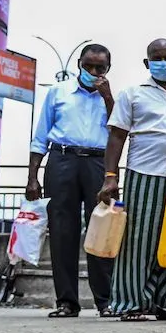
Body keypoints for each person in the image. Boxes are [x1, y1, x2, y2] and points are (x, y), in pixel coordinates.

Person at [98, 39, 166, 321]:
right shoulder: (133, 94)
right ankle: (129, 304)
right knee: (139, 241)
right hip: (144, 172)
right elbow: (116, 136)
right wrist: (110, 177)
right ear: (147, 62)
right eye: (157, 57)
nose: (163, 62)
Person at [28, 44, 116, 318]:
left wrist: (109, 98)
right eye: (87, 66)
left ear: (108, 68)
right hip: (61, 160)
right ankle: (66, 301)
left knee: (102, 230)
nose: (92, 72)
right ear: (79, 63)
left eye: (99, 67)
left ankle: (105, 301)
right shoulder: (58, 92)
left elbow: (121, 131)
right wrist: (32, 176)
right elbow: (40, 136)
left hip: (98, 163)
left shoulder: (113, 97)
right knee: (62, 231)